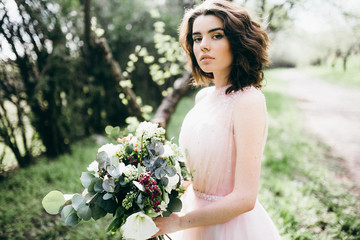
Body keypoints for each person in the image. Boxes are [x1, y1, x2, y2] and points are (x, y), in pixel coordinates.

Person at [154, 0, 281, 239]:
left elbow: (245, 198)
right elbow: (194, 174)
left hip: (229, 226)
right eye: (197, 38)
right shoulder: (203, 98)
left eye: (216, 35)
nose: (203, 46)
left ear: (237, 41)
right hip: (191, 216)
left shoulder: (249, 101)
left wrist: (180, 223)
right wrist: (149, 190)